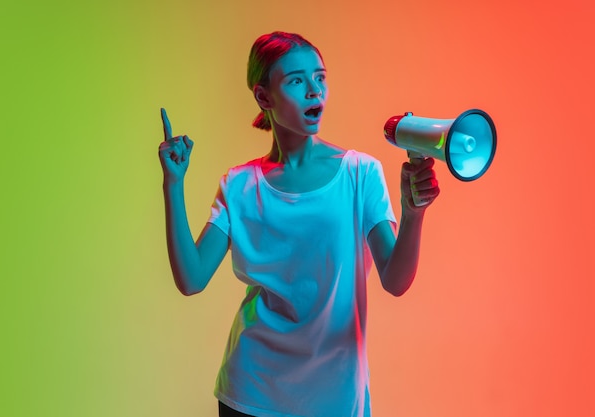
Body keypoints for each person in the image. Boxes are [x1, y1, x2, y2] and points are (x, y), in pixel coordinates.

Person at [158, 31, 439, 417]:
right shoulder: (239, 186)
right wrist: (173, 184)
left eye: (320, 77)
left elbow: (395, 280)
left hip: (336, 399)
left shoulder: (360, 173)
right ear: (263, 97)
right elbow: (191, 279)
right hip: (251, 394)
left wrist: (413, 213)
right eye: (296, 80)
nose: (314, 90)